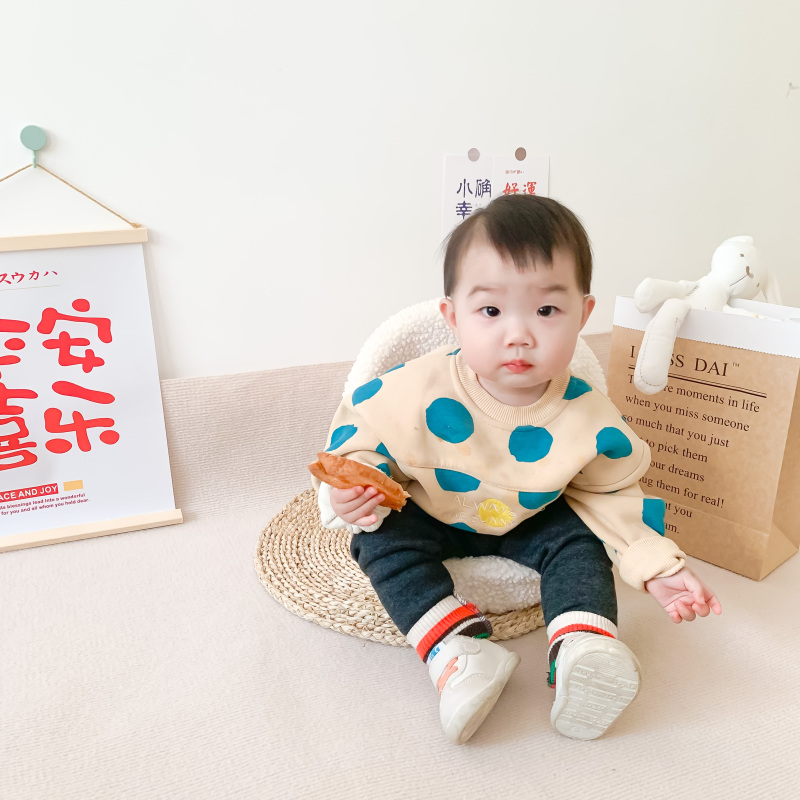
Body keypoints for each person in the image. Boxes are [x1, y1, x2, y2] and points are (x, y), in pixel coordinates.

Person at [313, 194, 722, 745]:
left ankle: (583, 646)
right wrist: (354, 489)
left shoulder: (589, 416)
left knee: (580, 541)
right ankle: (456, 651)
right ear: (453, 318)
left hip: (535, 516)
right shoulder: (415, 387)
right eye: (490, 312)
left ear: (583, 315)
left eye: (547, 311)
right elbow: (362, 436)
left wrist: (656, 564)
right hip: (433, 508)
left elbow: (614, 495)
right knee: (379, 538)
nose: (519, 334)